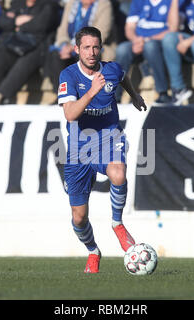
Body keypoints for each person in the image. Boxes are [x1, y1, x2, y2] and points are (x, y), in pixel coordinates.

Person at [58, 26, 147, 273]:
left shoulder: (111, 69)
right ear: (77, 49)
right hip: (79, 149)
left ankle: (117, 223)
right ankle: (93, 251)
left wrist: (135, 96)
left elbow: (123, 77)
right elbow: (70, 113)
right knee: (79, 217)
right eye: (86, 47)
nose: (92, 52)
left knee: (118, 173)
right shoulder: (68, 76)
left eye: (96, 47)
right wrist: (92, 91)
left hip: (109, 138)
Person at [0, 0, 59, 104]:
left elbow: (41, 25)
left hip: (38, 46)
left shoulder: (49, 4)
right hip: (15, 43)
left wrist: (19, 26)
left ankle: (0, 95)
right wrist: (16, 21)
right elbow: (2, 21)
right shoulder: (17, 3)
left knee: (26, 59)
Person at [45, 0, 115, 95]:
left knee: (85, 55)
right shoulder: (71, 4)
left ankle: (84, 96)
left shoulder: (104, 4)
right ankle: (62, 95)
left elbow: (101, 33)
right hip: (70, 46)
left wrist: (76, 46)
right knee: (56, 55)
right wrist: (64, 44)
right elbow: (62, 29)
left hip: (93, 47)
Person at [115, 0, 173, 105]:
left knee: (150, 46)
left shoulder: (170, 2)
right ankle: (115, 97)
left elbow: (173, 29)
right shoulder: (138, 2)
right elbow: (130, 27)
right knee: (122, 49)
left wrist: (147, 40)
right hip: (138, 41)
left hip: (158, 42)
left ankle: (163, 93)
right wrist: (135, 40)